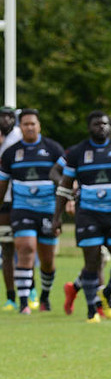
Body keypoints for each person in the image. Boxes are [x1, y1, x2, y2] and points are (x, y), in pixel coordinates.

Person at [51, 111, 111, 323]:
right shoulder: (77, 152)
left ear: (110, 127)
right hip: (88, 214)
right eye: (96, 124)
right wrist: (57, 217)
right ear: (89, 127)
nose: (100, 127)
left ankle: (107, 292)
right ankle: (91, 311)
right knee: (92, 262)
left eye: (104, 124)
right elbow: (64, 185)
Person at [0, 108, 64, 314]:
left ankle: (44, 295)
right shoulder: (11, 153)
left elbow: (66, 179)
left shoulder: (53, 149)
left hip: (48, 210)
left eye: (32, 123)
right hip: (22, 209)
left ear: (39, 126)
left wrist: (66, 205)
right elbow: (2, 183)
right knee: (25, 249)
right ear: (20, 127)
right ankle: (24, 302)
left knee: (47, 261)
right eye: (25, 124)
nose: (29, 127)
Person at [0, 106, 23, 311]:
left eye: (9, 116)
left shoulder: (20, 138)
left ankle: (30, 290)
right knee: (6, 247)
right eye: (2, 117)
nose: (5, 120)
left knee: (25, 246)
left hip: (22, 201)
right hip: (3, 202)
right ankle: (10, 297)